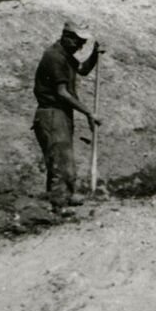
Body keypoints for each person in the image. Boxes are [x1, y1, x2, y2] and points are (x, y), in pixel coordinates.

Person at [32, 21, 101, 210]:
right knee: (58, 160)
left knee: (65, 157)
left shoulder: (66, 55)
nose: (80, 46)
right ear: (66, 37)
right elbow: (62, 92)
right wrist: (87, 112)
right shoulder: (54, 57)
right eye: (78, 41)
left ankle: (67, 196)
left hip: (62, 114)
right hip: (52, 113)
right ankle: (57, 204)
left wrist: (94, 53)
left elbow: (83, 70)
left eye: (83, 43)